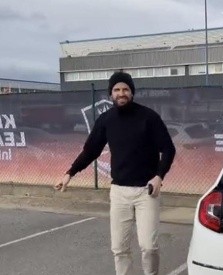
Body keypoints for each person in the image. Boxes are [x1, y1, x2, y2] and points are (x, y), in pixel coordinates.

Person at [54, 71, 176, 275]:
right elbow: (90, 151)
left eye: (125, 89)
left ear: (132, 92)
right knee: (119, 249)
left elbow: (169, 149)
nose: (121, 93)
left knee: (148, 247)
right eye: (117, 89)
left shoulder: (149, 117)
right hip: (119, 192)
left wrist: (159, 176)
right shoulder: (105, 120)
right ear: (111, 94)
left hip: (147, 191)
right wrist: (70, 173)